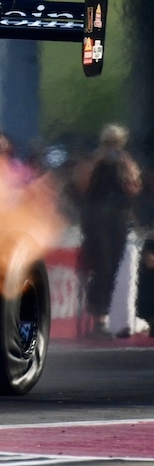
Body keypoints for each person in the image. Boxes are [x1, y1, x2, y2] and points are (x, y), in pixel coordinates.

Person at [76, 124, 142, 338]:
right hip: (97, 219)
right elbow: (82, 185)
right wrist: (98, 160)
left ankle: (106, 315)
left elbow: (134, 187)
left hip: (118, 219)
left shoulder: (124, 162)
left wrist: (126, 167)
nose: (113, 147)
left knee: (113, 265)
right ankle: (98, 318)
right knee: (101, 265)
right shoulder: (94, 161)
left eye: (116, 142)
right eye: (109, 142)